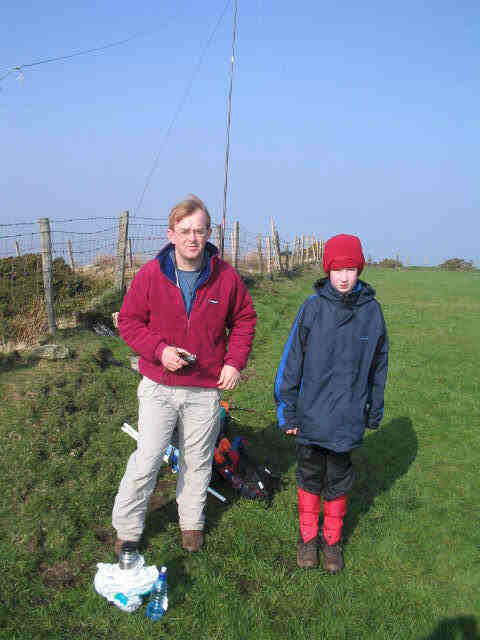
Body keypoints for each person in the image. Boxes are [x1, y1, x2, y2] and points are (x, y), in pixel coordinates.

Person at [112, 195, 256, 554]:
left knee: (197, 461)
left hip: (205, 389)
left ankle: (191, 523)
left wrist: (234, 362)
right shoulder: (150, 275)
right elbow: (128, 321)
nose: (193, 238)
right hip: (159, 387)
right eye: (185, 230)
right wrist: (159, 351)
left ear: (209, 233)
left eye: (199, 231)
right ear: (171, 234)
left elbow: (244, 320)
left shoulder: (226, 277)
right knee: (147, 459)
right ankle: (127, 528)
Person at [274, 234, 389, 573]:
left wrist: (374, 408)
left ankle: (332, 542)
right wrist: (288, 410)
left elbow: (379, 366)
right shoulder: (312, 308)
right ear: (327, 269)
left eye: (351, 268)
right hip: (310, 416)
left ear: (360, 269)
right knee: (310, 476)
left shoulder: (372, 312)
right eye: (337, 268)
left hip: (347, 417)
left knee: (339, 479)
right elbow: (290, 363)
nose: (343, 276)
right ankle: (308, 539)